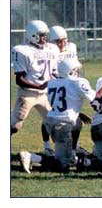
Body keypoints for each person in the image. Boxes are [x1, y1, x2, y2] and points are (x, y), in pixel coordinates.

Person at [19, 59, 96, 173]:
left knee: (78, 121)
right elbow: (94, 99)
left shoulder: (52, 82)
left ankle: (71, 153)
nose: (78, 72)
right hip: (62, 126)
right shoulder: (77, 82)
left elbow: (62, 102)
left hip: (50, 121)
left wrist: (77, 112)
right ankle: (32, 157)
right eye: (75, 70)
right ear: (70, 72)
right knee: (63, 167)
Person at [11, 20, 59, 156]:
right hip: (28, 93)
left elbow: (55, 71)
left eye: (45, 35)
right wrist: (38, 85)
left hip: (45, 94)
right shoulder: (22, 50)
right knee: (15, 125)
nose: (45, 38)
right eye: (42, 35)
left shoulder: (52, 49)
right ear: (33, 36)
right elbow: (19, 79)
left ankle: (61, 153)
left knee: (54, 124)